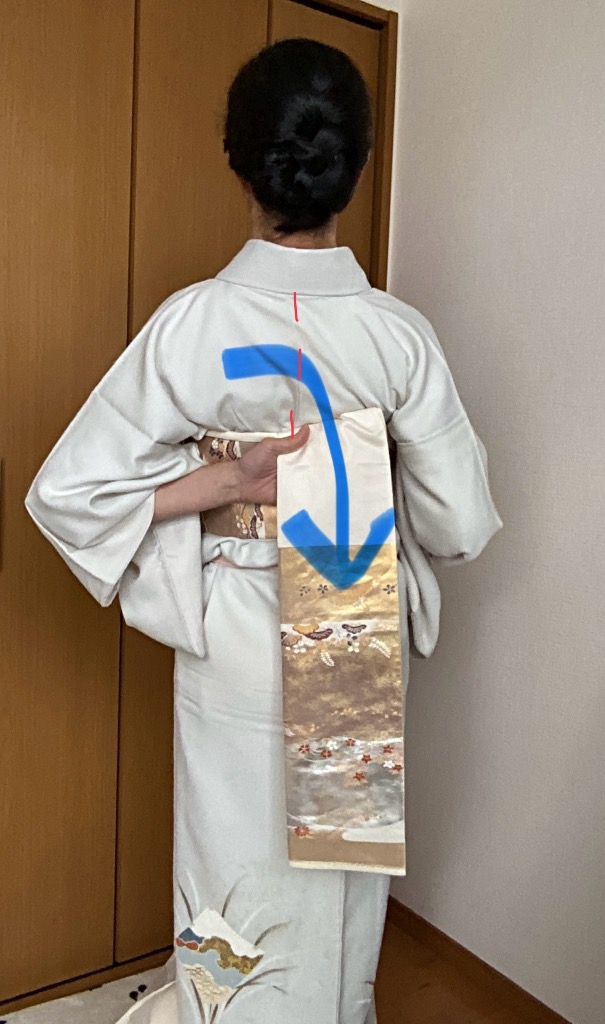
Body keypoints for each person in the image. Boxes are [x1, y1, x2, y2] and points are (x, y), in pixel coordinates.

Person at [25, 37, 501, 1024]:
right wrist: (363, 476)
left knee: (234, 865)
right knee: (337, 877)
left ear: (240, 167)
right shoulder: (398, 335)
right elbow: (457, 526)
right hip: (352, 613)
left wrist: (223, 480)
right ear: (355, 168)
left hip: (238, 620)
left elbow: (70, 492)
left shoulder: (191, 325)